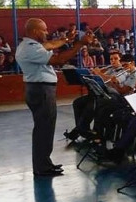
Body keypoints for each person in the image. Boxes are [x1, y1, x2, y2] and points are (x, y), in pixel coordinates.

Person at [15, 18, 93, 176]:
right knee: (44, 129)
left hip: (38, 88)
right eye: (44, 30)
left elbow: (50, 44)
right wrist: (80, 44)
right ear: (35, 32)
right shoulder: (31, 48)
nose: (46, 32)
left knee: (44, 128)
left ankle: (44, 163)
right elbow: (59, 59)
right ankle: (42, 167)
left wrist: (66, 40)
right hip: (42, 90)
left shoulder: (29, 45)